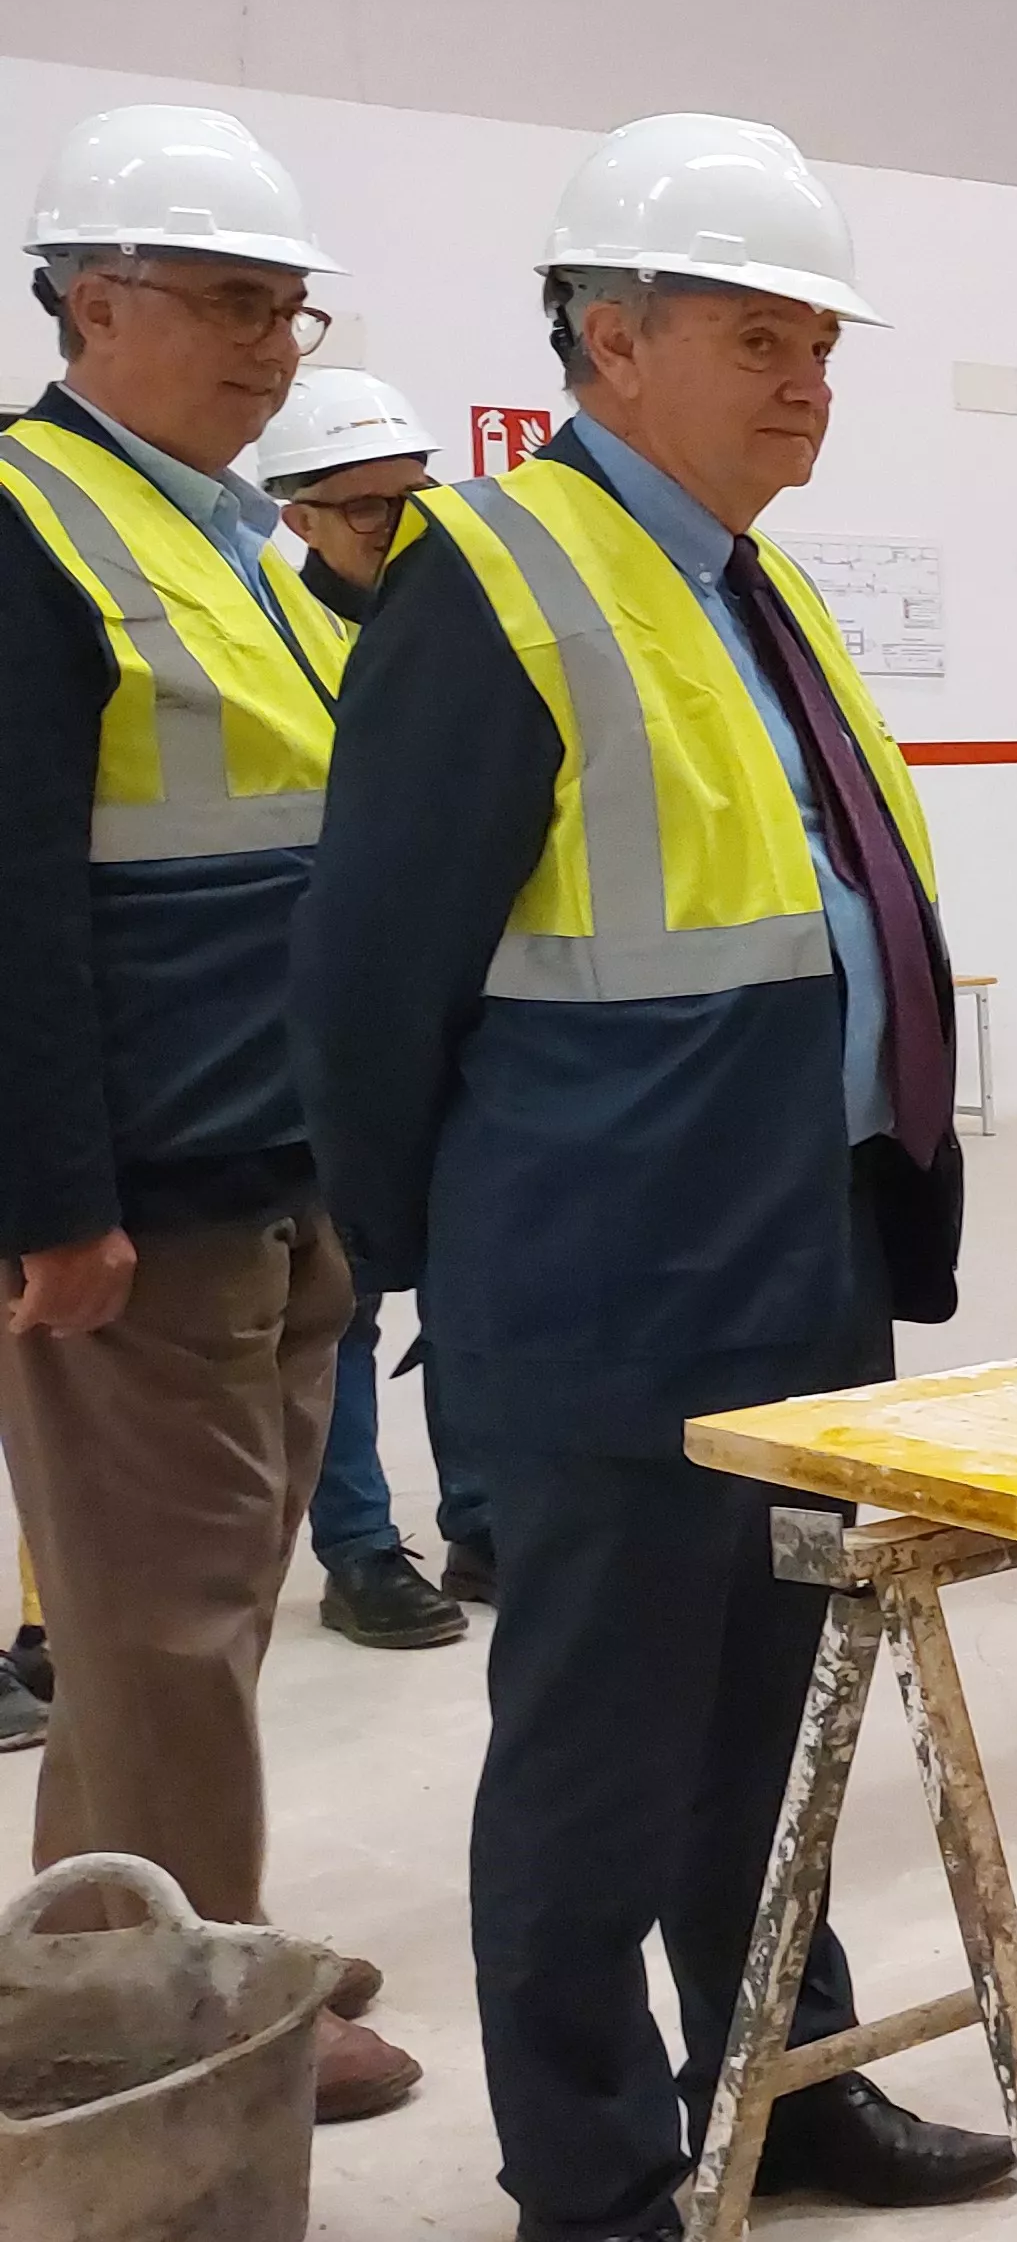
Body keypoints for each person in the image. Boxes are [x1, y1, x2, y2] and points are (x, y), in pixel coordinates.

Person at [298, 114, 1013, 2239]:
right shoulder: (494, 578)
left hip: (796, 1254)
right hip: (603, 1287)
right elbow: (362, 988)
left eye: (821, 343)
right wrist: (457, 1286)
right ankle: (595, 2180)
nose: (807, 381)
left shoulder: (743, 587)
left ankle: (783, 2089)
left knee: (770, 1738)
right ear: (608, 347)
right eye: (761, 338)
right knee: (601, 1767)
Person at [0, 103, 419, 2119]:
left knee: (198, 1620)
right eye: (228, 303)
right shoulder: (24, 525)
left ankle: (138, 1959)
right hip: (141, 1196)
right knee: (159, 1633)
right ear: (90, 299)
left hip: (274, 1157)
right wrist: (48, 1197)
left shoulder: (224, 531)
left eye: (286, 308)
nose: (271, 347)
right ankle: (180, 2039)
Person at [248, 366, 489, 1652]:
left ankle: (485, 1513)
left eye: (413, 497)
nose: (399, 527)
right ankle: (358, 1548)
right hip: (332, 1017)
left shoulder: (456, 617)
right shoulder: (276, 641)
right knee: (344, 1302)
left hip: (464, 1014)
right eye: (364, 509)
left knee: (473, 1284)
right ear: (293, 514)